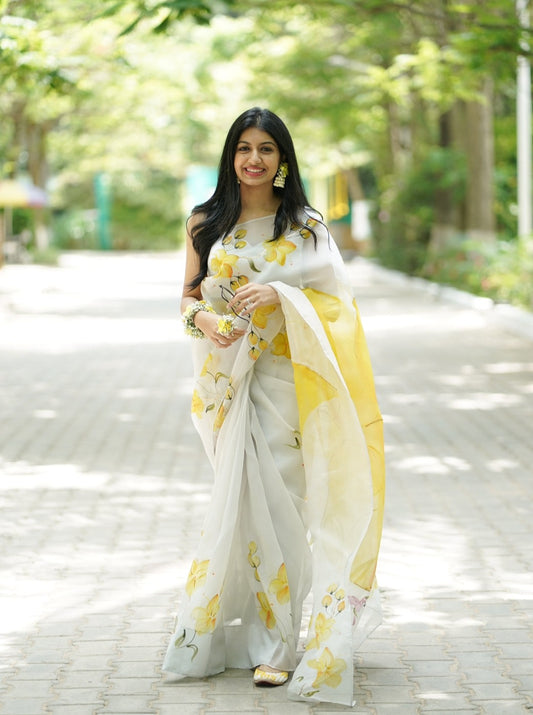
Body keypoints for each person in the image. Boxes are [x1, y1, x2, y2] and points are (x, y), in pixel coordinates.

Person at [163, 107, 385, 707]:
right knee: (245, 506)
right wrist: (207, 318)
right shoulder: (206, 221)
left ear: (283, 159)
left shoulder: (307, 228)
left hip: (294, 387)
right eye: (243, 148)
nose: (254, 159)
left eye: (266, 149)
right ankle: (251, 632)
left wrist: (283, 296)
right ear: (230, 156)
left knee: (285, 506)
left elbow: (340, 306)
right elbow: (186, 298)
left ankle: (281, 645)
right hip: (229, 385)